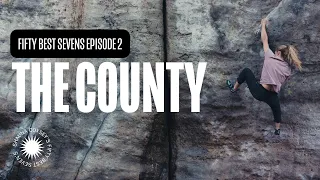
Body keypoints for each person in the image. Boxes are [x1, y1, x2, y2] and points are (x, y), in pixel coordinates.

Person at [226, 18, 302, 135]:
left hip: (260, 92)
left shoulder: (270, 57)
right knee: (277, 110)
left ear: (278, 53)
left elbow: (264, 40)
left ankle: (234, 88)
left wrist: (263, 25)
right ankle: (277, 129)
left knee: (246, 71)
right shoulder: (287, 69)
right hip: (272, 95)